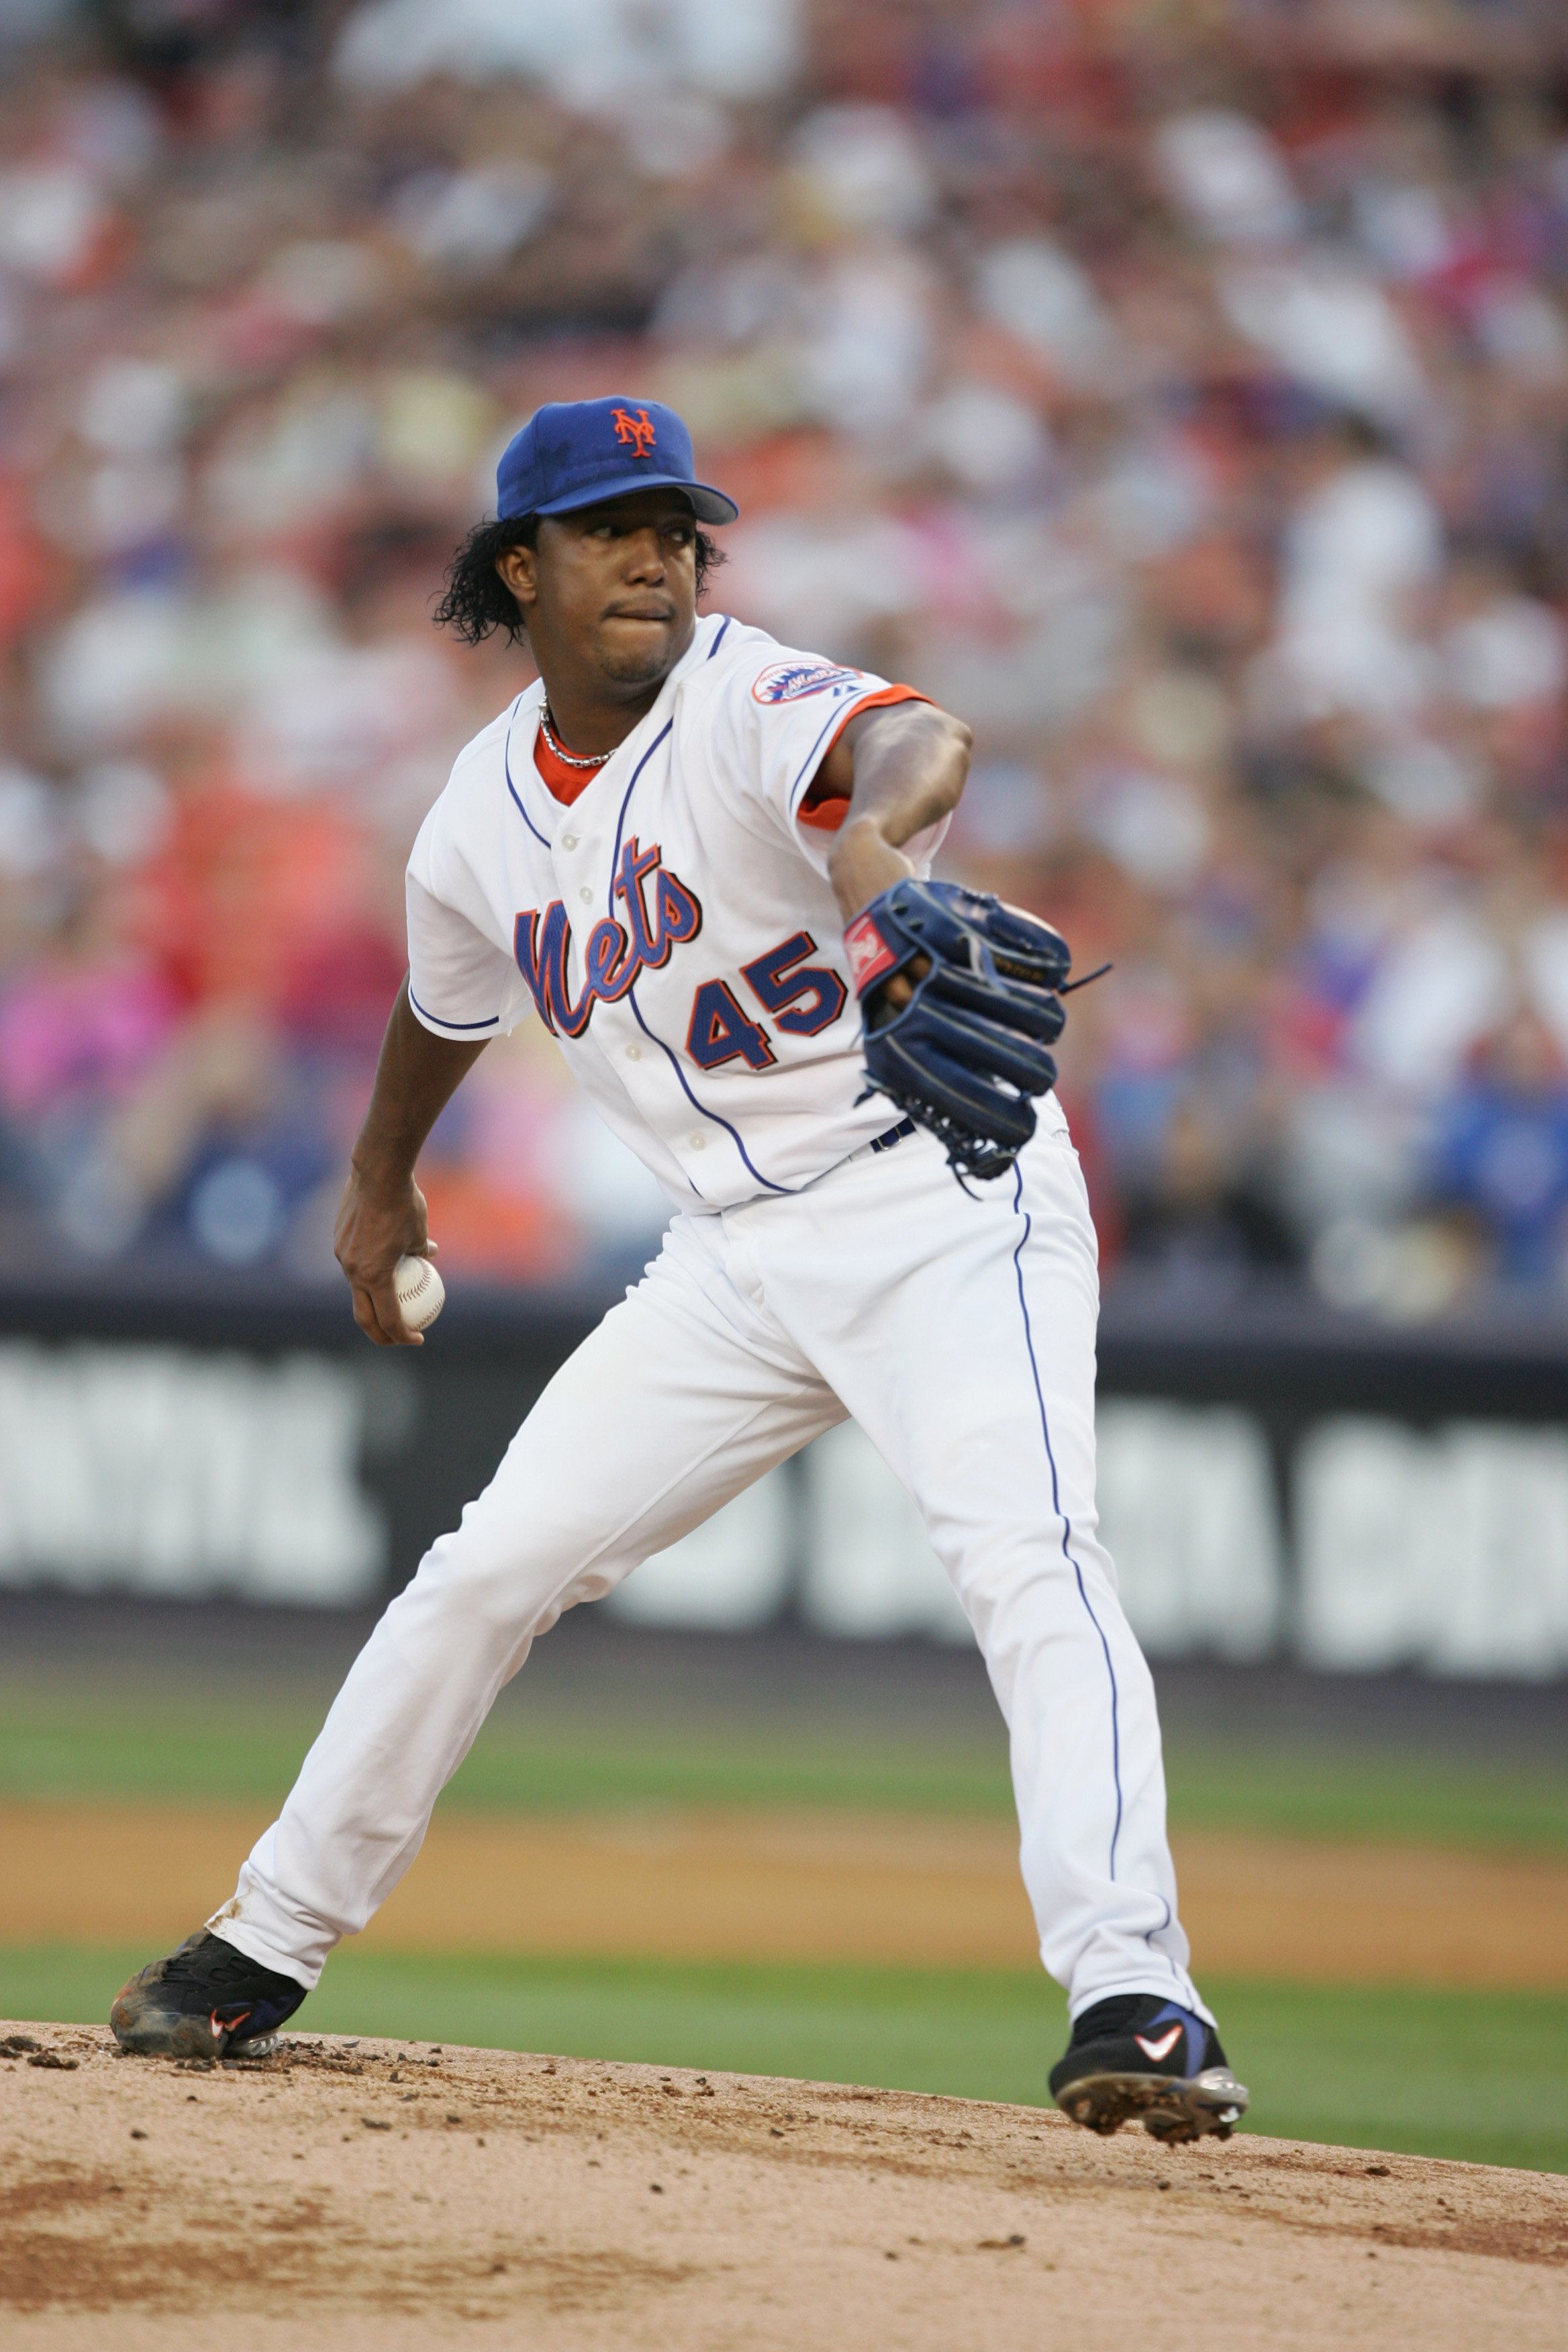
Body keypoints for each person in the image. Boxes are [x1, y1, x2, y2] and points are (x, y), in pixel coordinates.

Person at [111, 397, 1247, 2143]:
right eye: (611, 527)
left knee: (1030, 1555)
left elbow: (913, 737)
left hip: (941, 1207)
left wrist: (873, 852)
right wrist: (377, 1182)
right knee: (488, 1572)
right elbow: (444, 999)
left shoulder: (741, 699)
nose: (656, 556)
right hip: (732, 1259)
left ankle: (1136, 1994)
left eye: (677, 528)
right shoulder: (478, 816)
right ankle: (262, 1940)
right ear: (520, 566)